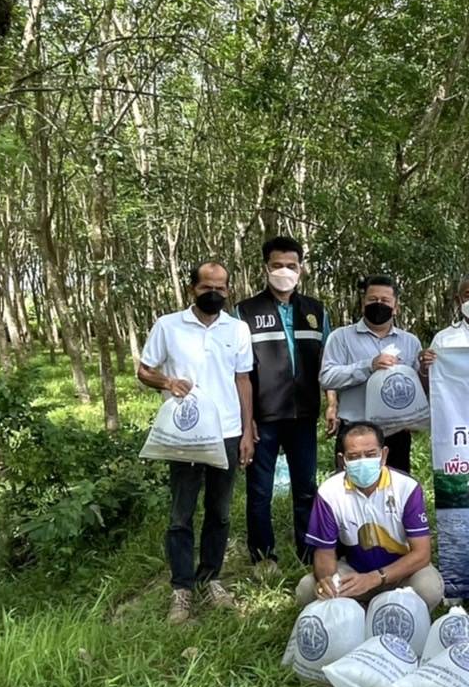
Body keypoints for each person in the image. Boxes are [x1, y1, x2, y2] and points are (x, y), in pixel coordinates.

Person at [138, 261, 255, 624]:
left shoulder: (237, 329)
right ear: (193, 289)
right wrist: (167, 383)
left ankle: (211, 577)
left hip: (228, 432)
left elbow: (243, 381)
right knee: (181, 514)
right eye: (207, 287)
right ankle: (181, 589)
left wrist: (248, 430)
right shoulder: (168, 326)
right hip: (185, 435)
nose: (215, 294)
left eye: (221, 288)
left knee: (220, 513)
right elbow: (144, 370)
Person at [235, 236, 330, 579]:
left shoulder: (316, 311)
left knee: (306, 488)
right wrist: (247, 422)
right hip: (264, 418)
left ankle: (308, 552)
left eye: (291, 265)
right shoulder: (245, 312)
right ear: (265, 268)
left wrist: (330, 403)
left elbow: (326, 364)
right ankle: (264, 556)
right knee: (259, 491)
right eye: (277, 265)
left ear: (301, 269)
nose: (284, 272)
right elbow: (240, 371)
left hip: (304, 415)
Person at [294, 421, 443, 610]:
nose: (362, 461)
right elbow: (324, 552)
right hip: (354, 572)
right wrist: (328, 581)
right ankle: (359, 610)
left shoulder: (406, 488)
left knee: (428, 588)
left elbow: (422, 554)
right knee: (308, 589)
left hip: (402, 574)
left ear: (384, 455)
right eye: (354, 457)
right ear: (343, 460)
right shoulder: (329, 492)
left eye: (370, 454)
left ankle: (386, 609)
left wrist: (375, 578)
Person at [319, 274, 423, 472]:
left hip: (396, 433)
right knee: (350, 494)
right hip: (354, 432)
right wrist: (368, 366)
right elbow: (327, 377)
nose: (379, 304)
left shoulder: (410, 342)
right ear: (362, 304)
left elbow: (417, 387)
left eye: (385, 301)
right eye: (373, 300)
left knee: (396, 492)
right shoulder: (340, 337)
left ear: (396, 307)